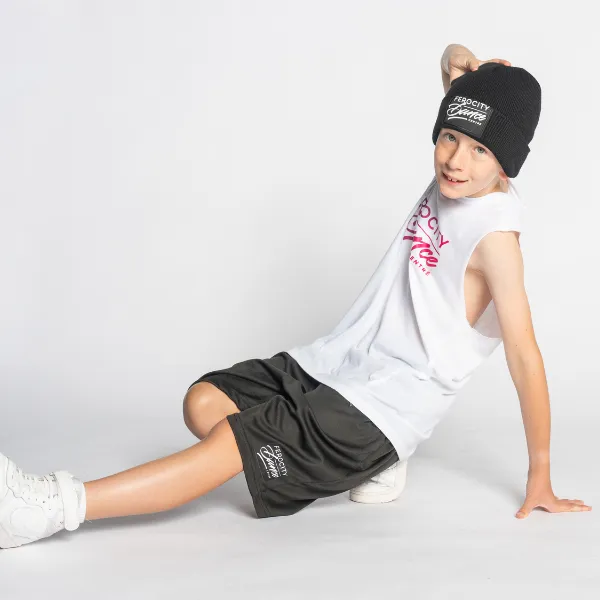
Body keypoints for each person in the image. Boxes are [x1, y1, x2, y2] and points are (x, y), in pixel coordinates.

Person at [0, 43, 591, 550]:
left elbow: (525, 356)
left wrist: (539, 473)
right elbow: (453, 69)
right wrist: (469, 66)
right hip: (343, 362)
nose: (456, 159)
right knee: (203, 403)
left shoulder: (495, 239)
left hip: (387, 405)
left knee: (231, 443)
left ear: (505, 163)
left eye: (479, 150)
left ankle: (51, 507)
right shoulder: (460, 172)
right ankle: (344, 464)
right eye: (449, 138)